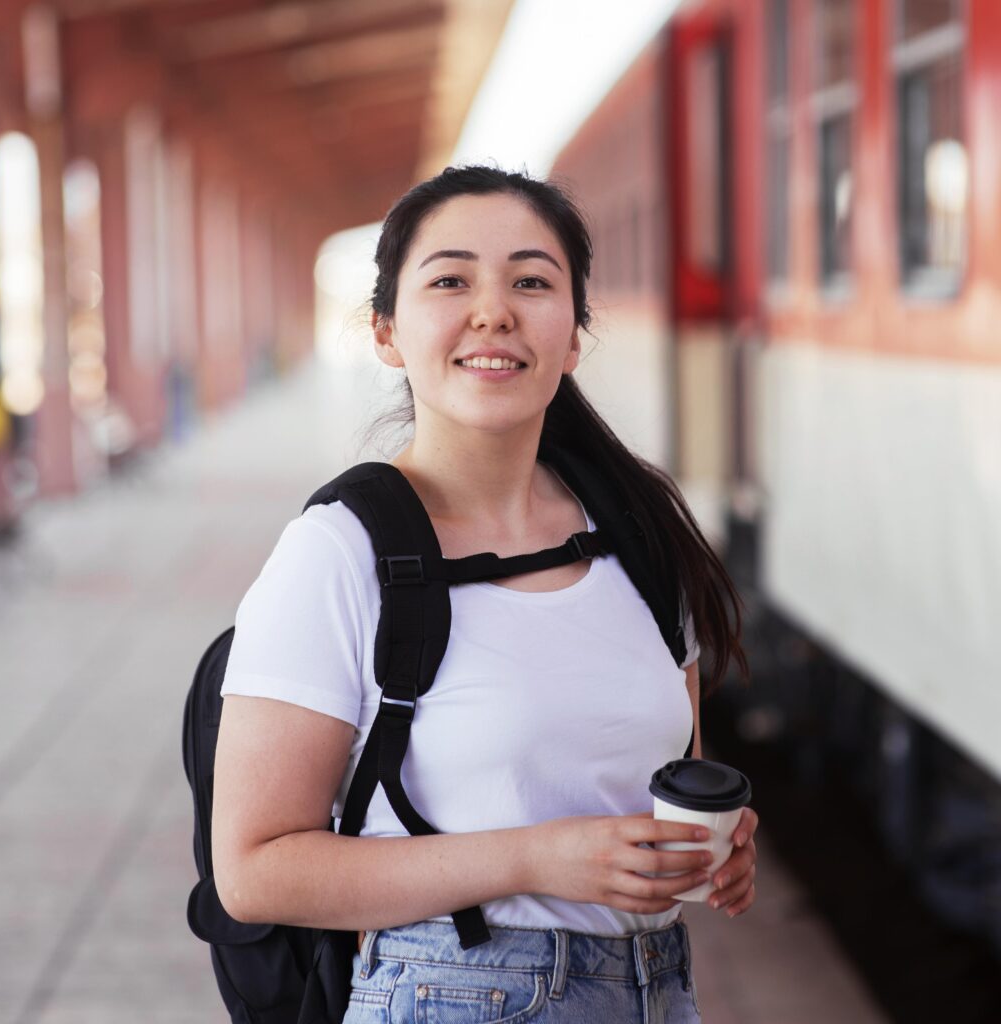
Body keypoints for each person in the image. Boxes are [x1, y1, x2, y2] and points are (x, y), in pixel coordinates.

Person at [212, 165, 759, 1023]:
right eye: (451, 280)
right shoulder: (338, 553)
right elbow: (254, 871)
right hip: (449, 993)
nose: (493, 310)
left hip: (656, 993)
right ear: (387, 331)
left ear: (574, 337)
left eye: (532, 281)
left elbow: (665, 767)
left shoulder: (639, 535)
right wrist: (535, 860)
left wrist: (709, 849)